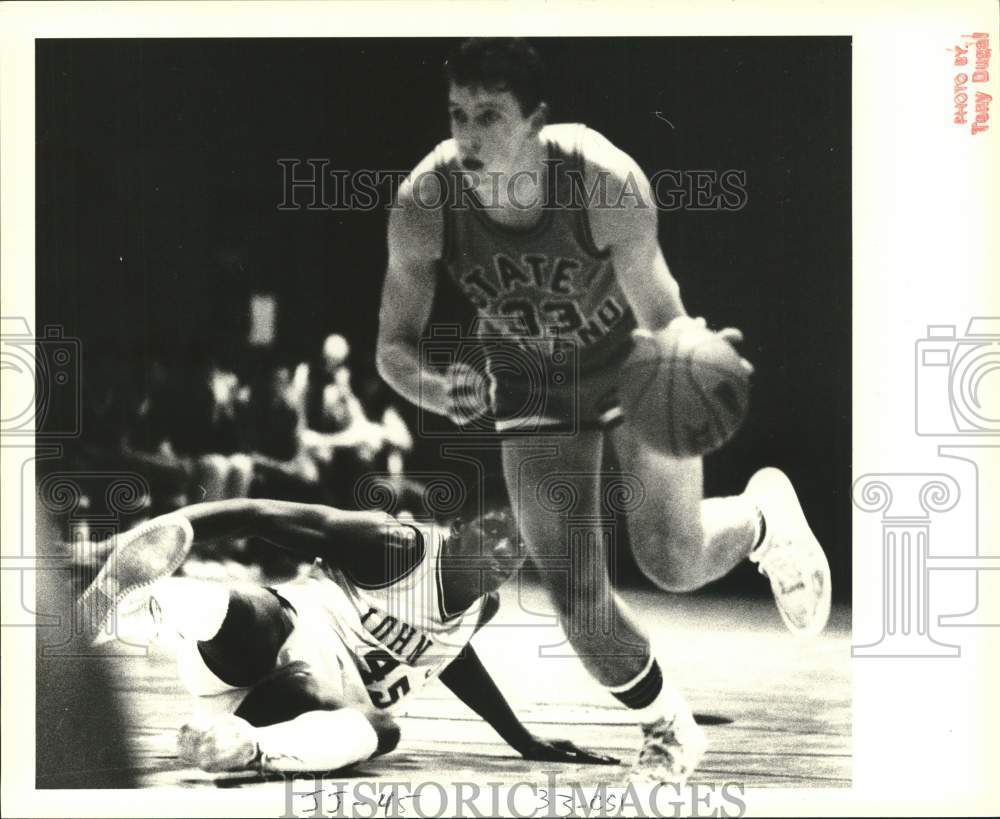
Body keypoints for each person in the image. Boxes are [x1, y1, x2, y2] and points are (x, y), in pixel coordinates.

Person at [375, 37, 832, 784]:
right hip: (527, 379)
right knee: (578, 603)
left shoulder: (604, 180)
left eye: (489, 114)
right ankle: (668, 727)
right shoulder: (425, 202)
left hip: (628, 366)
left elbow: (662, 312)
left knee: (672, 559)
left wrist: (700, 352)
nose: (467, 134)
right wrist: (433, 387)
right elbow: (392, 347)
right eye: (457, 112)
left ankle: (760, 517)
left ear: (536, 121)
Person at [76, 501, 618, 774]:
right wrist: (158, 532)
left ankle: (241, 748)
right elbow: (256, 513)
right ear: (459, 531)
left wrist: (521, 738)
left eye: (514, 552)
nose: (503, 554)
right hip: (254, 646)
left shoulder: (482, 607)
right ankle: (126, 608)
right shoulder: (393, 544)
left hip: (300, 703)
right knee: (254, 608)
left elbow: (450, 656)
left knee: (383, 730)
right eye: (494, 533)